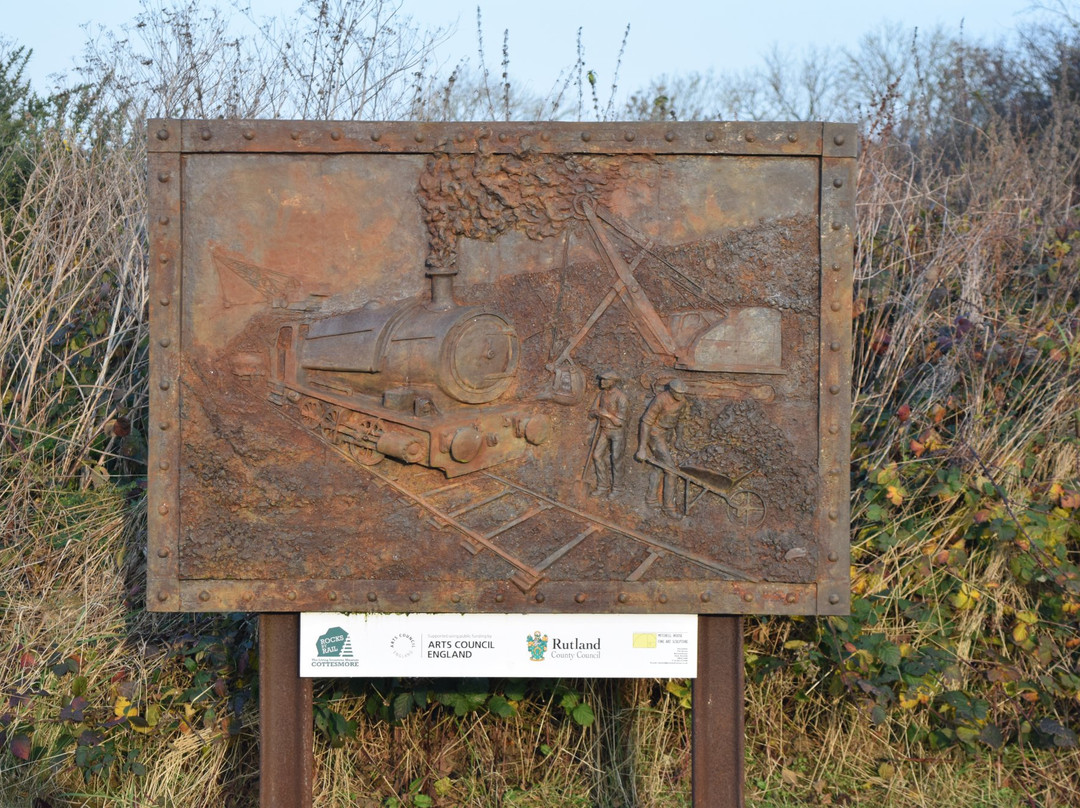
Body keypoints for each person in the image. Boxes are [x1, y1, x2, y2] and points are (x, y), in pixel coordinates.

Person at [635, 379, 689, 518]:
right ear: (671, 390)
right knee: (671, 471)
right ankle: (669, 507)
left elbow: (681, 420)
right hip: (655, 433)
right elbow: (646, 422)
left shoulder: (682, 401)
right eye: (678, 393)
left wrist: (680, 438)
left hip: (668, 434)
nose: (680, 396)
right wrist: (642, 448)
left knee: (659, 466)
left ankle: (651, 499)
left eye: (683, 393)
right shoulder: (660, 399)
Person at [588, 370, 628, 497]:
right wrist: (596, 413)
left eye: (605, 380)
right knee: (597, 455)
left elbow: (620, 422)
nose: (602, 382)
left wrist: (607, 414)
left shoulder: (621, 398)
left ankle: (618, 488)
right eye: (601, 379)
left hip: (617, 432)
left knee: (616, 459)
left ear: (613, 382)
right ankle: (603, 486)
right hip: (604, 430)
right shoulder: (601, 395)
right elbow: (591, 413)